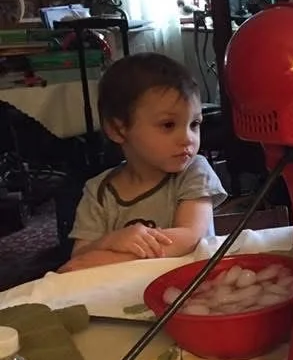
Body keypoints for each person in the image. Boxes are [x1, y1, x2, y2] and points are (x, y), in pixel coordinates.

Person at [62, 53, 227, 272]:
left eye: (194, 123)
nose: (188, 138)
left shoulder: (194, 171)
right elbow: (80, 256)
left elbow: (189, 238)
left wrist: (108, 259)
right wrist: (111, 241)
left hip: (190, 289)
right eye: (168, 125)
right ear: (118, 129)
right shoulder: (99, 191)